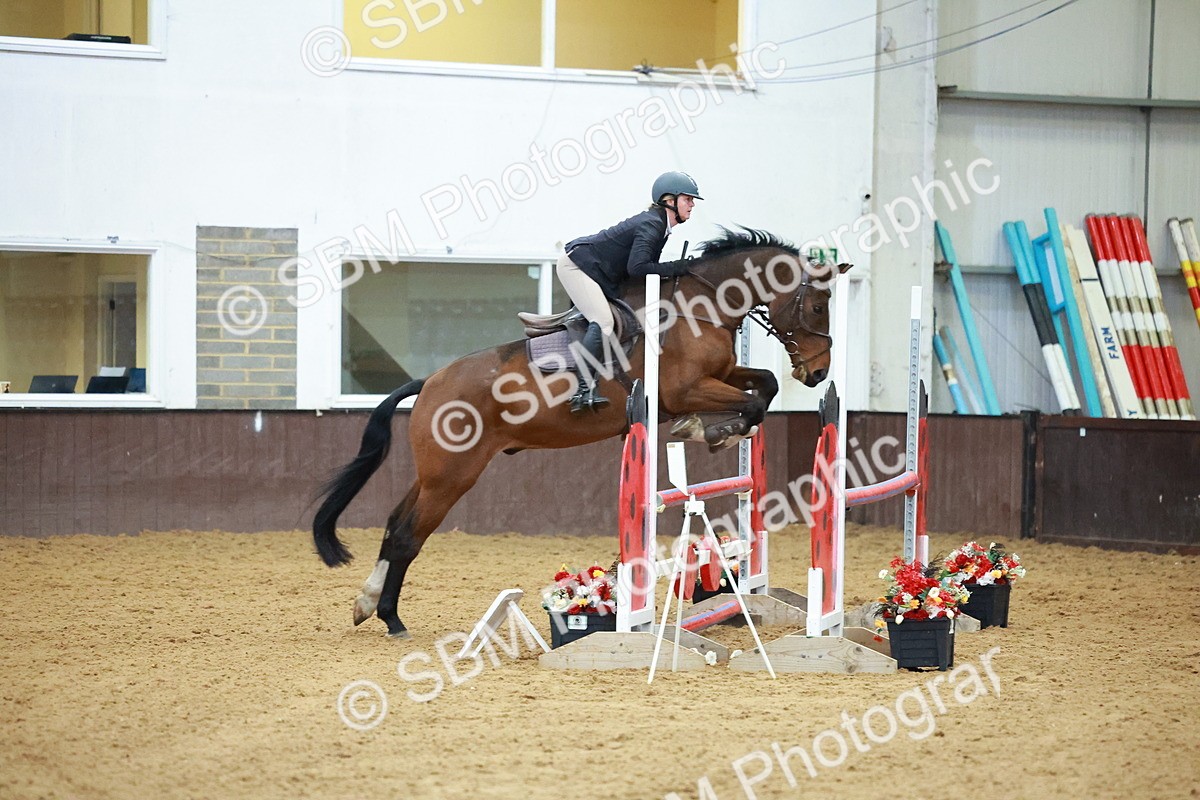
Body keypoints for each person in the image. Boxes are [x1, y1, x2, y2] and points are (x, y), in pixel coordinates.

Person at [557, 171, 702, 414]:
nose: (692, 205)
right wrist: (678, 267)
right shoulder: (652, 224)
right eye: (688, 199)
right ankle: (581, 391)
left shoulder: (660, 225)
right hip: (577, 266)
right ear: (669, 200)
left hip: (597, 271)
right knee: (603, 321)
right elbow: (637, 268)